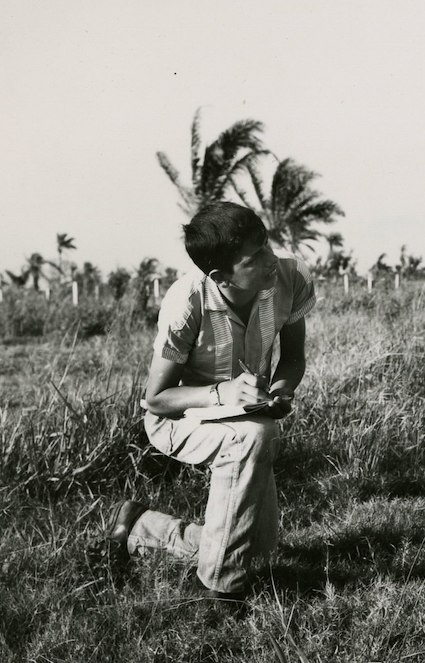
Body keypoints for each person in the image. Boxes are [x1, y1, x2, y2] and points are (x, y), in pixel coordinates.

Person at [107, 201, 316, 604]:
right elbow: (156, 401)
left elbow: (292, 358)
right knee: (255, 436)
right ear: (220, 276)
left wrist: (281, 391)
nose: (272, 259)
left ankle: (142, 528)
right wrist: (221, 394)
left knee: (259, 550)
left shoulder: (290, 277)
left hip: (248, 419)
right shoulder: (186, 301)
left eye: (268, 246)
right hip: (180, 420)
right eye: (256, 258)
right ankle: (221, 589)